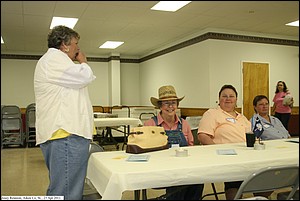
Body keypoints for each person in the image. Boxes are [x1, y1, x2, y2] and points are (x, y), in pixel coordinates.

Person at [34, 25, 96, 200]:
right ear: (64, 45)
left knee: (63, 188)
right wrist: (83, 61)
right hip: (65, 136)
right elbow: (84, 76)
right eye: (76, 43)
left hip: (63, 136)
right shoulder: (54, 59)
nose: (78, 48)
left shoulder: (55, 62)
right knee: (67, 192)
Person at [144, 85, 204, 200]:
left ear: (177, 105)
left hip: (183, 168)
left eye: (173, 103)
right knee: (178, 183)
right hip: (160, 170)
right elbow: (146, 152)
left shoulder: (184, 124)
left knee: (198, 180)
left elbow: (191, 148)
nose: (170, 106)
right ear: (160, 106)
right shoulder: (150, 124)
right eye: (166, 103)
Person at [198, 84, 251, 200]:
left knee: (265, 170)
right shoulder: (212, 114)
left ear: (236, 100)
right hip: (226, 156)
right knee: (236, 174)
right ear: (219, 99)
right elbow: (203, 135)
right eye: (224, 96)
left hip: (247, 154)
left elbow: (252, 136)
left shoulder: (242, 117)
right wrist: (219, 151)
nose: (228, 99)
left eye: (231, 96)